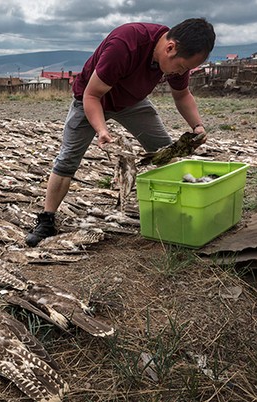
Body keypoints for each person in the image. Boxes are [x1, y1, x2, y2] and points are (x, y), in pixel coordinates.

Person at [25, 18, 216, 247]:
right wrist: (101, 130)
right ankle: (47, 220)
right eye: (182, 67)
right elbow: (91, 95)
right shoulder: (126, 44)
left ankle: (180, 209)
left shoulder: (178, 58)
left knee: (166, 153)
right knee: (67, 160)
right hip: (91, 99)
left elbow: (182, 95)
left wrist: (197, 126)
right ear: (170, 47)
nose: (180, 72)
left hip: (131, 103)